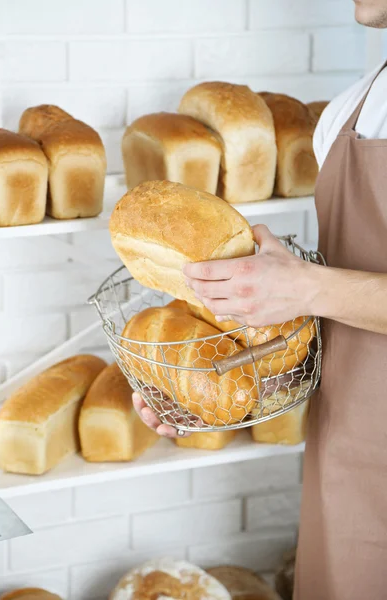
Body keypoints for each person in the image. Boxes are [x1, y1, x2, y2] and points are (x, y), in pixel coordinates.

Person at [132, 1, 387, 597]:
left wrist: (306, 285)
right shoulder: (348, 114)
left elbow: (322, 291)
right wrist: (224, 383)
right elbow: (344, 318)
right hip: (351, 458)